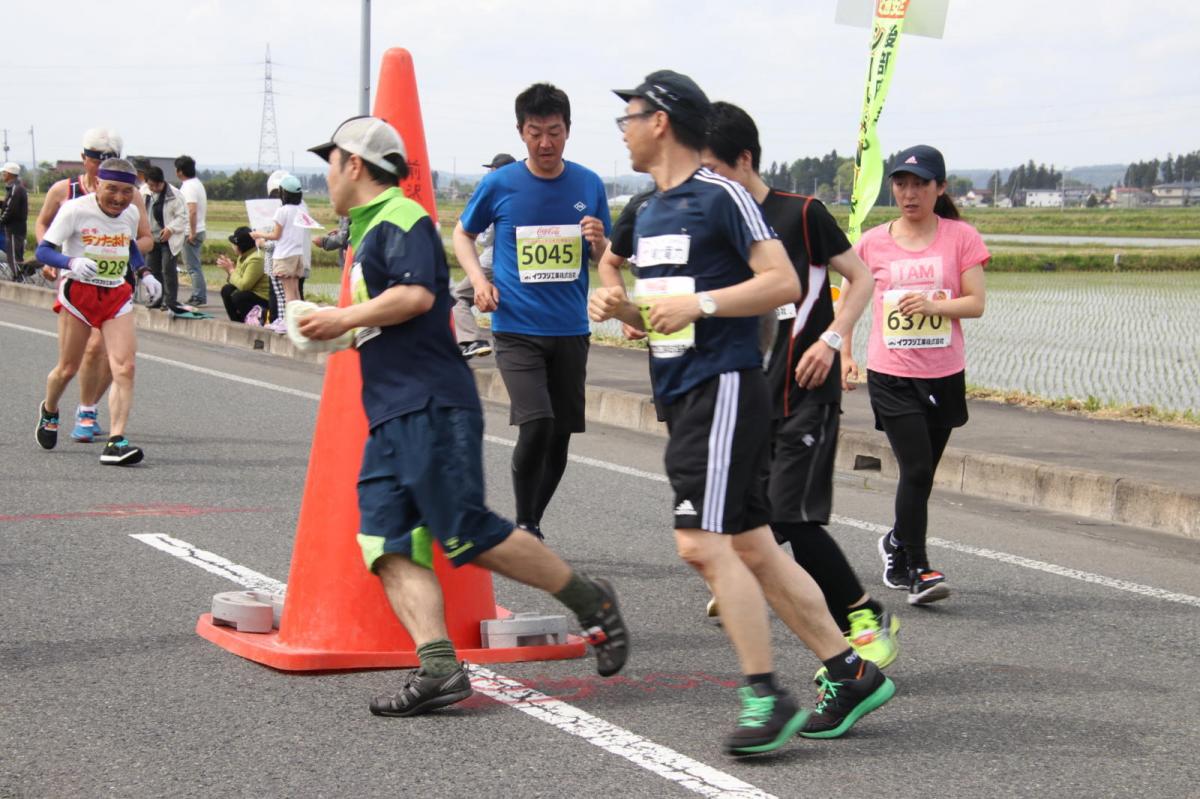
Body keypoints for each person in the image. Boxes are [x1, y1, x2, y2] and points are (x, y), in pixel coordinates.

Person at [589, 71, 893, 756]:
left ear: (660, 120)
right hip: (681, 388)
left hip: (724, 386)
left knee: (701, 542)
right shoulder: (645, 210)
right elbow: (654, 306)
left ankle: (766, 694)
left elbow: (781, 282)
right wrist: (624, 307)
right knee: (753, 543)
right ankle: (850, 672)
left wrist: (702, 305)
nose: (625, 130)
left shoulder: (720, 195)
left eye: (629, 117)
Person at [300, 115, 629, 716]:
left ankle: (591, 601)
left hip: (429, 403)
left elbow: (418, 295)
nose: (326, 176)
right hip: (392, 412)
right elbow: (391, 317)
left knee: (465, 533)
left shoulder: (402, 218)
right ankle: (440, 669)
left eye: (330, 162)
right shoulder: (369, 229)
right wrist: (336, 330)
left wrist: (341, 319)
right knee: (385, 541)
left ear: (353, 163)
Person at [699, 102, 897, 667]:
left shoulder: (801, 212)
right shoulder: (724, 227)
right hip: (748, 393)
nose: (708, 182)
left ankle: (860, 613)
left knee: (790, 515)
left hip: (807, 388)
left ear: (745, 159)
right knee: (753, 514)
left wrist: (832, 340)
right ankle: (766, 575)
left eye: (715, 169)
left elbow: (861, 277)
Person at [452, 84, 612, 540]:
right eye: (536, 132)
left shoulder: (588, 183)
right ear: (521, 132)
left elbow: (607, 255)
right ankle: (524, 522)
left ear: (568, 131)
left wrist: (600, 241)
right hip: (516, 326)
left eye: (555, 132)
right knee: (537, 422)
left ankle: (533, 521)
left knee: (560, 434)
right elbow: (463, 234)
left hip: (570, 328)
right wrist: (480, 282)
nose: (546, 143)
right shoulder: (500, 184)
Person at [855, 144, 988, 605]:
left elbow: (975, 302)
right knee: (914, 467)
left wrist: (934, 305)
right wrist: (841, 351)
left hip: (944, 373)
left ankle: (895, 542)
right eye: (901, 183)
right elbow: (848, 294)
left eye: (919, 184)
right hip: (891, 373)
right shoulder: (872, 242)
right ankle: (917, 568)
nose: (908, 193)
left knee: (924, 473)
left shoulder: (960, 236)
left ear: (940, 188)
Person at [34, 158, 160, 465]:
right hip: (79, 294)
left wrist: (143, 272)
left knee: (125, 367)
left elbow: (128, 244)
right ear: (99, 184)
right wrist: (70, 262)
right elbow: (43, 250)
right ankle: (50, 409)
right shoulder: (76, 209)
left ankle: (116, 441)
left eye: (127, 191)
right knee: (67, 369)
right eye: (112, 189)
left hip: (116, 293)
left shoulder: (130, 212)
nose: (119, 198)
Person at [451, 152, 516, 359]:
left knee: (457, 297)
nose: (490, 173)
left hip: (492, 261)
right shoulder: (523, 192)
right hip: (517, 265)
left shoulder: (497, 194)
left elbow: (483, 239)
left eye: (492, 169)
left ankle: (471, 340)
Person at [251, 174, 307, 305]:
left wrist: (259, 234)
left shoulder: (282, 211)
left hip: (284, 256)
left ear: (284, 193)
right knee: (296, 292)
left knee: (288, 295)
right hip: (297, 255)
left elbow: (276, 235)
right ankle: (299, 321)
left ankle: (290, 323)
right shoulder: (301, 209)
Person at [143, 166, 188, 312]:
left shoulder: (175, 195)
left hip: (168, 239)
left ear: (163, 181)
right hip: (151, 237)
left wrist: (171, 229)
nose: (155, 188)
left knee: (168, 270)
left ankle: (170, 301)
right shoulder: (143, 192)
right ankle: (156, 298)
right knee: (152, 269)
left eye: (158, 185)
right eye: (152, 185)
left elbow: (182, 217)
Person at [217, 226, 271, 322]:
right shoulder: (244, 255)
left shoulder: (257, 258)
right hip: (252, 292)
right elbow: (236, 280)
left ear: (240, 246)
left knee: (239, 297)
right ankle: (237, 322)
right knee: (227, 290)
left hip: (264, 298)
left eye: (233, 243)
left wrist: (231, 270)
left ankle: (256, 321)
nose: (232, 246)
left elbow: (244, 286)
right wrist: (230, 271)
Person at [175, 154, 208, 306]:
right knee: (195, 265)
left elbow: (192, 210)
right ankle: (198, 294)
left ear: (181, 171)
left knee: (193, 267)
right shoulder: (197, 183)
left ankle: (198, 296)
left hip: (191, 231)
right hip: (198, 228)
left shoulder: (188, 187)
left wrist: (192, 232)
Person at [1, 162, 29, 276]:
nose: (2, 175)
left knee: (13, 257)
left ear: (9, 174)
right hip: (18, 228)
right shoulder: (16, 187)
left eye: (4, 173)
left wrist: (1, 222)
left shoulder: (15, 189)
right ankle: (19, 277)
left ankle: (19, 279)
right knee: (16, 256)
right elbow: (8, 204)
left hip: (14, 229)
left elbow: (10, 210)